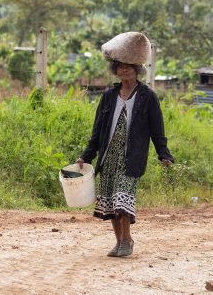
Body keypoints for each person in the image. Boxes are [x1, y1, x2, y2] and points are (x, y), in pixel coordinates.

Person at [76, 32, 174, 258]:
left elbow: (157, 130)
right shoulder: (109, 96)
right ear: (116, 69)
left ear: (137, 69)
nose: (124, 70)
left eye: (129, 66)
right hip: (108, 157)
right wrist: (86, 156)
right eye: (120, 66)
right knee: (110, 203)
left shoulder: (148, 97)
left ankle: (127, 240)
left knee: (122, 200)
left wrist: (164, 154)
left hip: (131, 158)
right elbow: (97, 131)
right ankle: (119, 242)